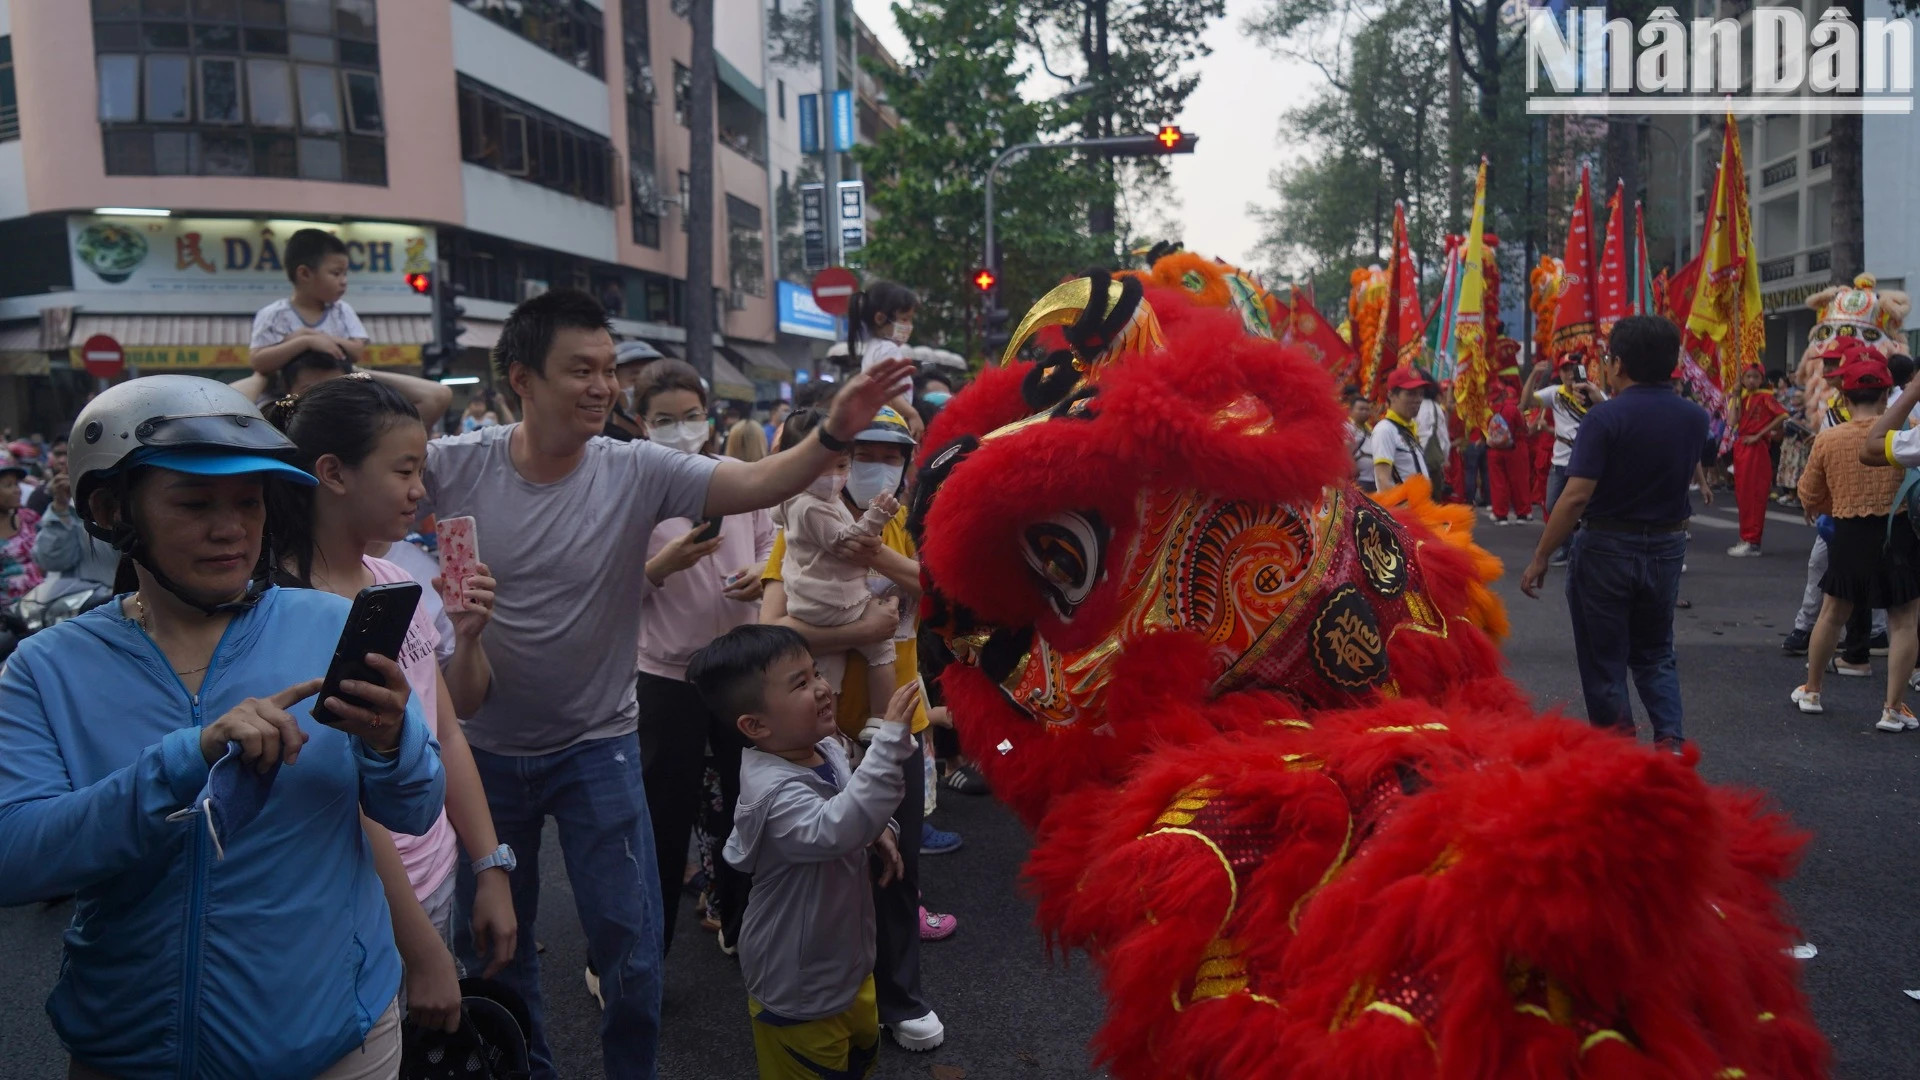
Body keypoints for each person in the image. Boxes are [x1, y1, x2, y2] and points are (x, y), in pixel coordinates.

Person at [422, 288, 911, 1080]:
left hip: (599, 745)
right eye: (579, 369)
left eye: (609, 370)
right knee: (495, 950)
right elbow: (350, 479)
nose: (601, 387)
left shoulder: (637, 467)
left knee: (634, 951)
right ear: (521, 377)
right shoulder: (454, 467)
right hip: (483, 750)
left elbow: (757, 483)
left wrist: (834, 431)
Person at [0, 374, 443, 1078]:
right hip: (132, 1052)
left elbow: (414, 808)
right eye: (194, 502)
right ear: (114, 510)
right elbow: (17, 857)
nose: (231, 527)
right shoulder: (44, 669)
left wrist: (392, 742)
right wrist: (187, 758)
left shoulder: (331, 627)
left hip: (334, 1045)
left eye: (248, 502)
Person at [263, 374, 520, 1034]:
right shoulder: (287, 616)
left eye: (421, 470)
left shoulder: (393, 582)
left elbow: (449, 725)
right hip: (358, 899)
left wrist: (487, 864)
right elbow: (341, 792)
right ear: (333, 473)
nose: (420, 491)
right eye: (405, 470)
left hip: (435, 875)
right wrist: (424, 950)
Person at [759, 404, 946, 1052]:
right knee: (825, 867)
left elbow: (943, 590)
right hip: (821, 732)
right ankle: (823, 996)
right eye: (858, 454)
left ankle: (901, 995)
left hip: (897, 723)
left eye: (890, 456)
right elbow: (774, 626)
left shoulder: (897, 527)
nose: (871, 468)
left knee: (900, 869)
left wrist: (880, 558)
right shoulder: (804, 519)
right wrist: (860, 631)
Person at [689, 625, 919, 1080]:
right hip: (796, 986)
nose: (820, 688)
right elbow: (835, 826)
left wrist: (878, 832)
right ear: (755, 725)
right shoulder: (770, 795)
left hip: (846, 966)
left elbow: (850, 804)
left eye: (815, 673)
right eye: (799, 683)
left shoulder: (823, 748)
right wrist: (889, 741)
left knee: (858, 1062)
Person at [632, 359, 775, 957]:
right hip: (667, 678)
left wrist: (763, 574)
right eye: (665, 420)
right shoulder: (633, 491)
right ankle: (643, 951)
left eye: (690, 416)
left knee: (752, 804)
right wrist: (661, 568)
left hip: (740, 670)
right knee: (661, 820)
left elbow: (771, 542)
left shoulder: (736, 477)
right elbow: (602, 589)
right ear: (640, 423)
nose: (681, 429)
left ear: (710, 417)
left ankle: (745, 927)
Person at [1521, 316, 1710, 752]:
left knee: (1604, 660)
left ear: (1619, 363)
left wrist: (1541, 555)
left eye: (1607, 358)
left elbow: (1574, 498)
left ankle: (1619, 755)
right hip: (1666, 546)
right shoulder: (1694, 417)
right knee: (1656, 652)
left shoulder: (1604, 419)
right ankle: (1670, 742)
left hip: (1606, 547)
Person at [1785, 356, 1920, 731]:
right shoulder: (1907, 428)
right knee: (1904, 619)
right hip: (1898, 531)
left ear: (1843, 397)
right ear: (1884, 396)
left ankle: (1812, 690)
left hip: (1847, 531)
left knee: (1832, 612)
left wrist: (1826, 504)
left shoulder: (1829, 437)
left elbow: (1809, 492)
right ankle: (1893, 708)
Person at [233, 227, 451, 429]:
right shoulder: (273, 314)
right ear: (305, 274)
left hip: (338, 395)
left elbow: (356, 351)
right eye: (336, 273)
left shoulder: (342, 310)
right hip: (284, 400)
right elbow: (259, 362)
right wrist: (305, 342)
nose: (344, 281)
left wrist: (312, 336)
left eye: (345, 274)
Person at [771, 408, 902, 714]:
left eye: (843, 466)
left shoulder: (799, 500)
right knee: (882, 649)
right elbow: (846, 543)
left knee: (827, 671)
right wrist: (875, 518)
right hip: (836, 602)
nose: (833, 477)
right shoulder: (812, 507)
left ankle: (828, 729)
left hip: (816, 604)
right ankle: (882, 722)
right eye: (866, 457)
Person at [1525, 352, 1608, 563]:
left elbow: (1610, 416)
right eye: (1565, 369)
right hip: (1560, 462)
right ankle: (1569, 546)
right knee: (1553, 506)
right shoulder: (1555, 394)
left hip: (1586, 462)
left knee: (1588, 507)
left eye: (1574, 369)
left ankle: (1585, 548)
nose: (1570, 374)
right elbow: (1526, 402)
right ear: (1560, 373)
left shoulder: (1594, 393)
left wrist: (1596, 400)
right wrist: (1534, 374)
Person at [846, 281, 925, 437]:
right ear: (880, 318)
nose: (909, 326)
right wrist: (912, 414)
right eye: (904, 319)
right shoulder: (888, 349)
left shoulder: (874, 347)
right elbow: (887, 390)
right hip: (889, 426)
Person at [1727, 363, 1789, 557]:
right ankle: (1745, 538)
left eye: (1755, 377)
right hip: (1742, 447)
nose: (1751, 380)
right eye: (1748, 377)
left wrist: (1759, 434)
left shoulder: (1765, 397)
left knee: (1754, 494)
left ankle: (1752, 540)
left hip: (1756, 448)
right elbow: (1731, 421)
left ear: (1761, 379)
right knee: (1743, 494)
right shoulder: (1740, 397)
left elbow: (1782, 415)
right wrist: (1736, 395)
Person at [30, 464, 122, 587]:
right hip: (88, 599)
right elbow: (51, 561)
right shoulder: (70, 508)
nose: (62, 462)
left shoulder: (139, 497)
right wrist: (61, 509)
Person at [1370, 366, 1434, 491]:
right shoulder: (1385, 430)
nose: (1417, 400)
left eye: (1420, 394)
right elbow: (1383, 482)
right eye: (1410, 394)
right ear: (1392, 395)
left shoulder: (1408, 429)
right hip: (1402, 509)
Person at [1485, 379, 1534, 525]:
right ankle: (1522, 514)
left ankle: (1500, 515)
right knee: (1519, 481)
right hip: (1514, 449)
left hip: (1494, 449)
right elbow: (1523, 428)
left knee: (1498, 483)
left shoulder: (1486, 410)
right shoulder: (1512, 409)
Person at [0, 458, 44, 599]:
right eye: (8, 485)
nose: (17, 490)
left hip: (37, 606)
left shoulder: (29, 518)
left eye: (17, 484)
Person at [606, 340, 663, 441]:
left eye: (654, 380)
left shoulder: (671, 443)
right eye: (636, 380)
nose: (646, 387)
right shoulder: (597, 446)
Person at [1343, 391, 1375, 492]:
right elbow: (1344, 449)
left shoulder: (1369, 429)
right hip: (1359, 481)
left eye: (1367, 409)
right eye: (1361, 409)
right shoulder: (1347, 427)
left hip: (1372, 479)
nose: (1365, 412)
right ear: (1350, 411)